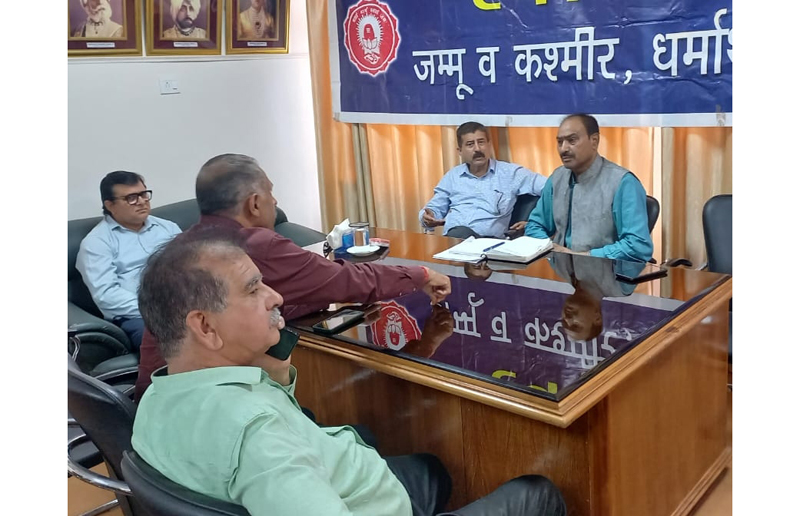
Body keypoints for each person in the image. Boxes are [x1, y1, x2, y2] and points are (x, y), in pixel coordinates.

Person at [133, 228, 568, 516]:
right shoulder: (260, 439)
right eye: (253, 290)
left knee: (430, 469)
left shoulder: (156, 397)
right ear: (205, 327)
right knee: (538, 494)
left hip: (347, 482)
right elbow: (268, 450)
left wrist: (276, 377)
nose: (275, 297)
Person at [134, 153, 452, 399]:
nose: (275, 202)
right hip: (207, 405)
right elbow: (349, 280)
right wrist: (421, 273)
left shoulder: (182, 245)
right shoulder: (251, 245)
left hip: (156, 399)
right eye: (271, 194)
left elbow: (242, 307)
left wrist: (321, 302)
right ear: (254, 203)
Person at [525, 113, 654, 262]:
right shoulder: (557, 178)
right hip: (560, 271)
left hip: (607, 272)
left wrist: (583, 256)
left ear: (594, 141)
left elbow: (637, 246)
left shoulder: (623, 183)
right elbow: (535, 225)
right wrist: (551, 248)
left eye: (572, 140)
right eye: (560, 142)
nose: (563, 148)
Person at [76, 171, 182, 349]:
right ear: (110, 205)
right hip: (137, 315)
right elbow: (106, 294)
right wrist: (157, 310)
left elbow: (191, 267)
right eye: (131, 198)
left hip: (183, 302)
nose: (141, 202)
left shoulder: (168, 228)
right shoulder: (96, 243)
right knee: (168, 341)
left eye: (144, 194)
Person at [420, 122, 547, 239]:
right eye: (470, 144)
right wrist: (428, 217)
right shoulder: (452, 176)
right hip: (455, 241)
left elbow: (552, 188)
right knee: (457, 234)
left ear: (489, 145)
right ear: (460, 151)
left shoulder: (512, 173)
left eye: (481, 142)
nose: (477, 149)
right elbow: (434, 209)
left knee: (460, 234)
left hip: (490, 244)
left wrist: (537, 222)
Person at [549, 253, 638, 342]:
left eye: (564, 323)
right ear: (597, 318)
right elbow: (637, 247)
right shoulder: (621, 286)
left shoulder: (560, 268)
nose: (567, 319)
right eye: (575, 326)